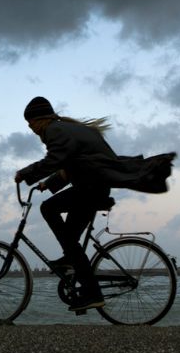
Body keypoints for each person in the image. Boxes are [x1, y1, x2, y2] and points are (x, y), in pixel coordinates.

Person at [13, 96, 120, 312]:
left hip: (92, 186)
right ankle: (71, 260)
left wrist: (25, 173)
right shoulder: (66, 129)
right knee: (70, 240)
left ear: (41, 119)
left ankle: (92, 293)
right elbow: (71, 166)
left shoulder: (55, 130)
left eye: (30, 122)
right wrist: (49, 183)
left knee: (48, 208)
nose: (30, 127)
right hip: (94, 184)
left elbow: (55, 161)